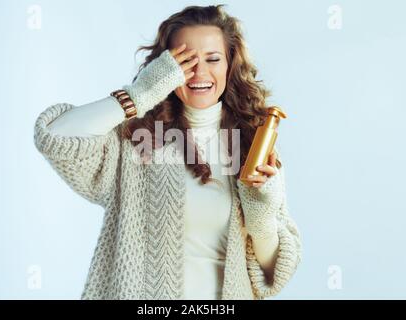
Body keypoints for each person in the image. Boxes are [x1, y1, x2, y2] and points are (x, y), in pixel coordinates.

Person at [33, 4, 301, 300]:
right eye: (185, 62)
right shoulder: (135, 141)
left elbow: (271, 274)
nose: (200, 72)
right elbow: (55, 137)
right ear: (166, 68)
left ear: (230, 66)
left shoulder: (252, 145)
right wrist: (140, 94)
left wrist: (261, 214)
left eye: (213, 59)